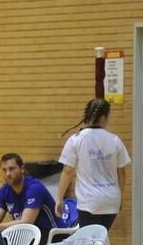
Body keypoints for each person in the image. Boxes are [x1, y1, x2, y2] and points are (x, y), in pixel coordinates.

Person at [55, 98, 130, 236]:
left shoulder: (76, 139)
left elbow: (68, 171)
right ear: (104, 117)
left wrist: (59, 198)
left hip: (89, 202)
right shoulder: (115, 140)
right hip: (111, 200)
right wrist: (120, 196)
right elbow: (122, 173)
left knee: (90, 244)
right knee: (100, 240)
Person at [0, 153, 57, 242]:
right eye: (4, 170)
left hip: (50, 235)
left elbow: (26, 222)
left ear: (22, 169)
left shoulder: (34, 188)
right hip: (26, 235)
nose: (8, 174)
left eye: (11, 169)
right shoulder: (4, 190)